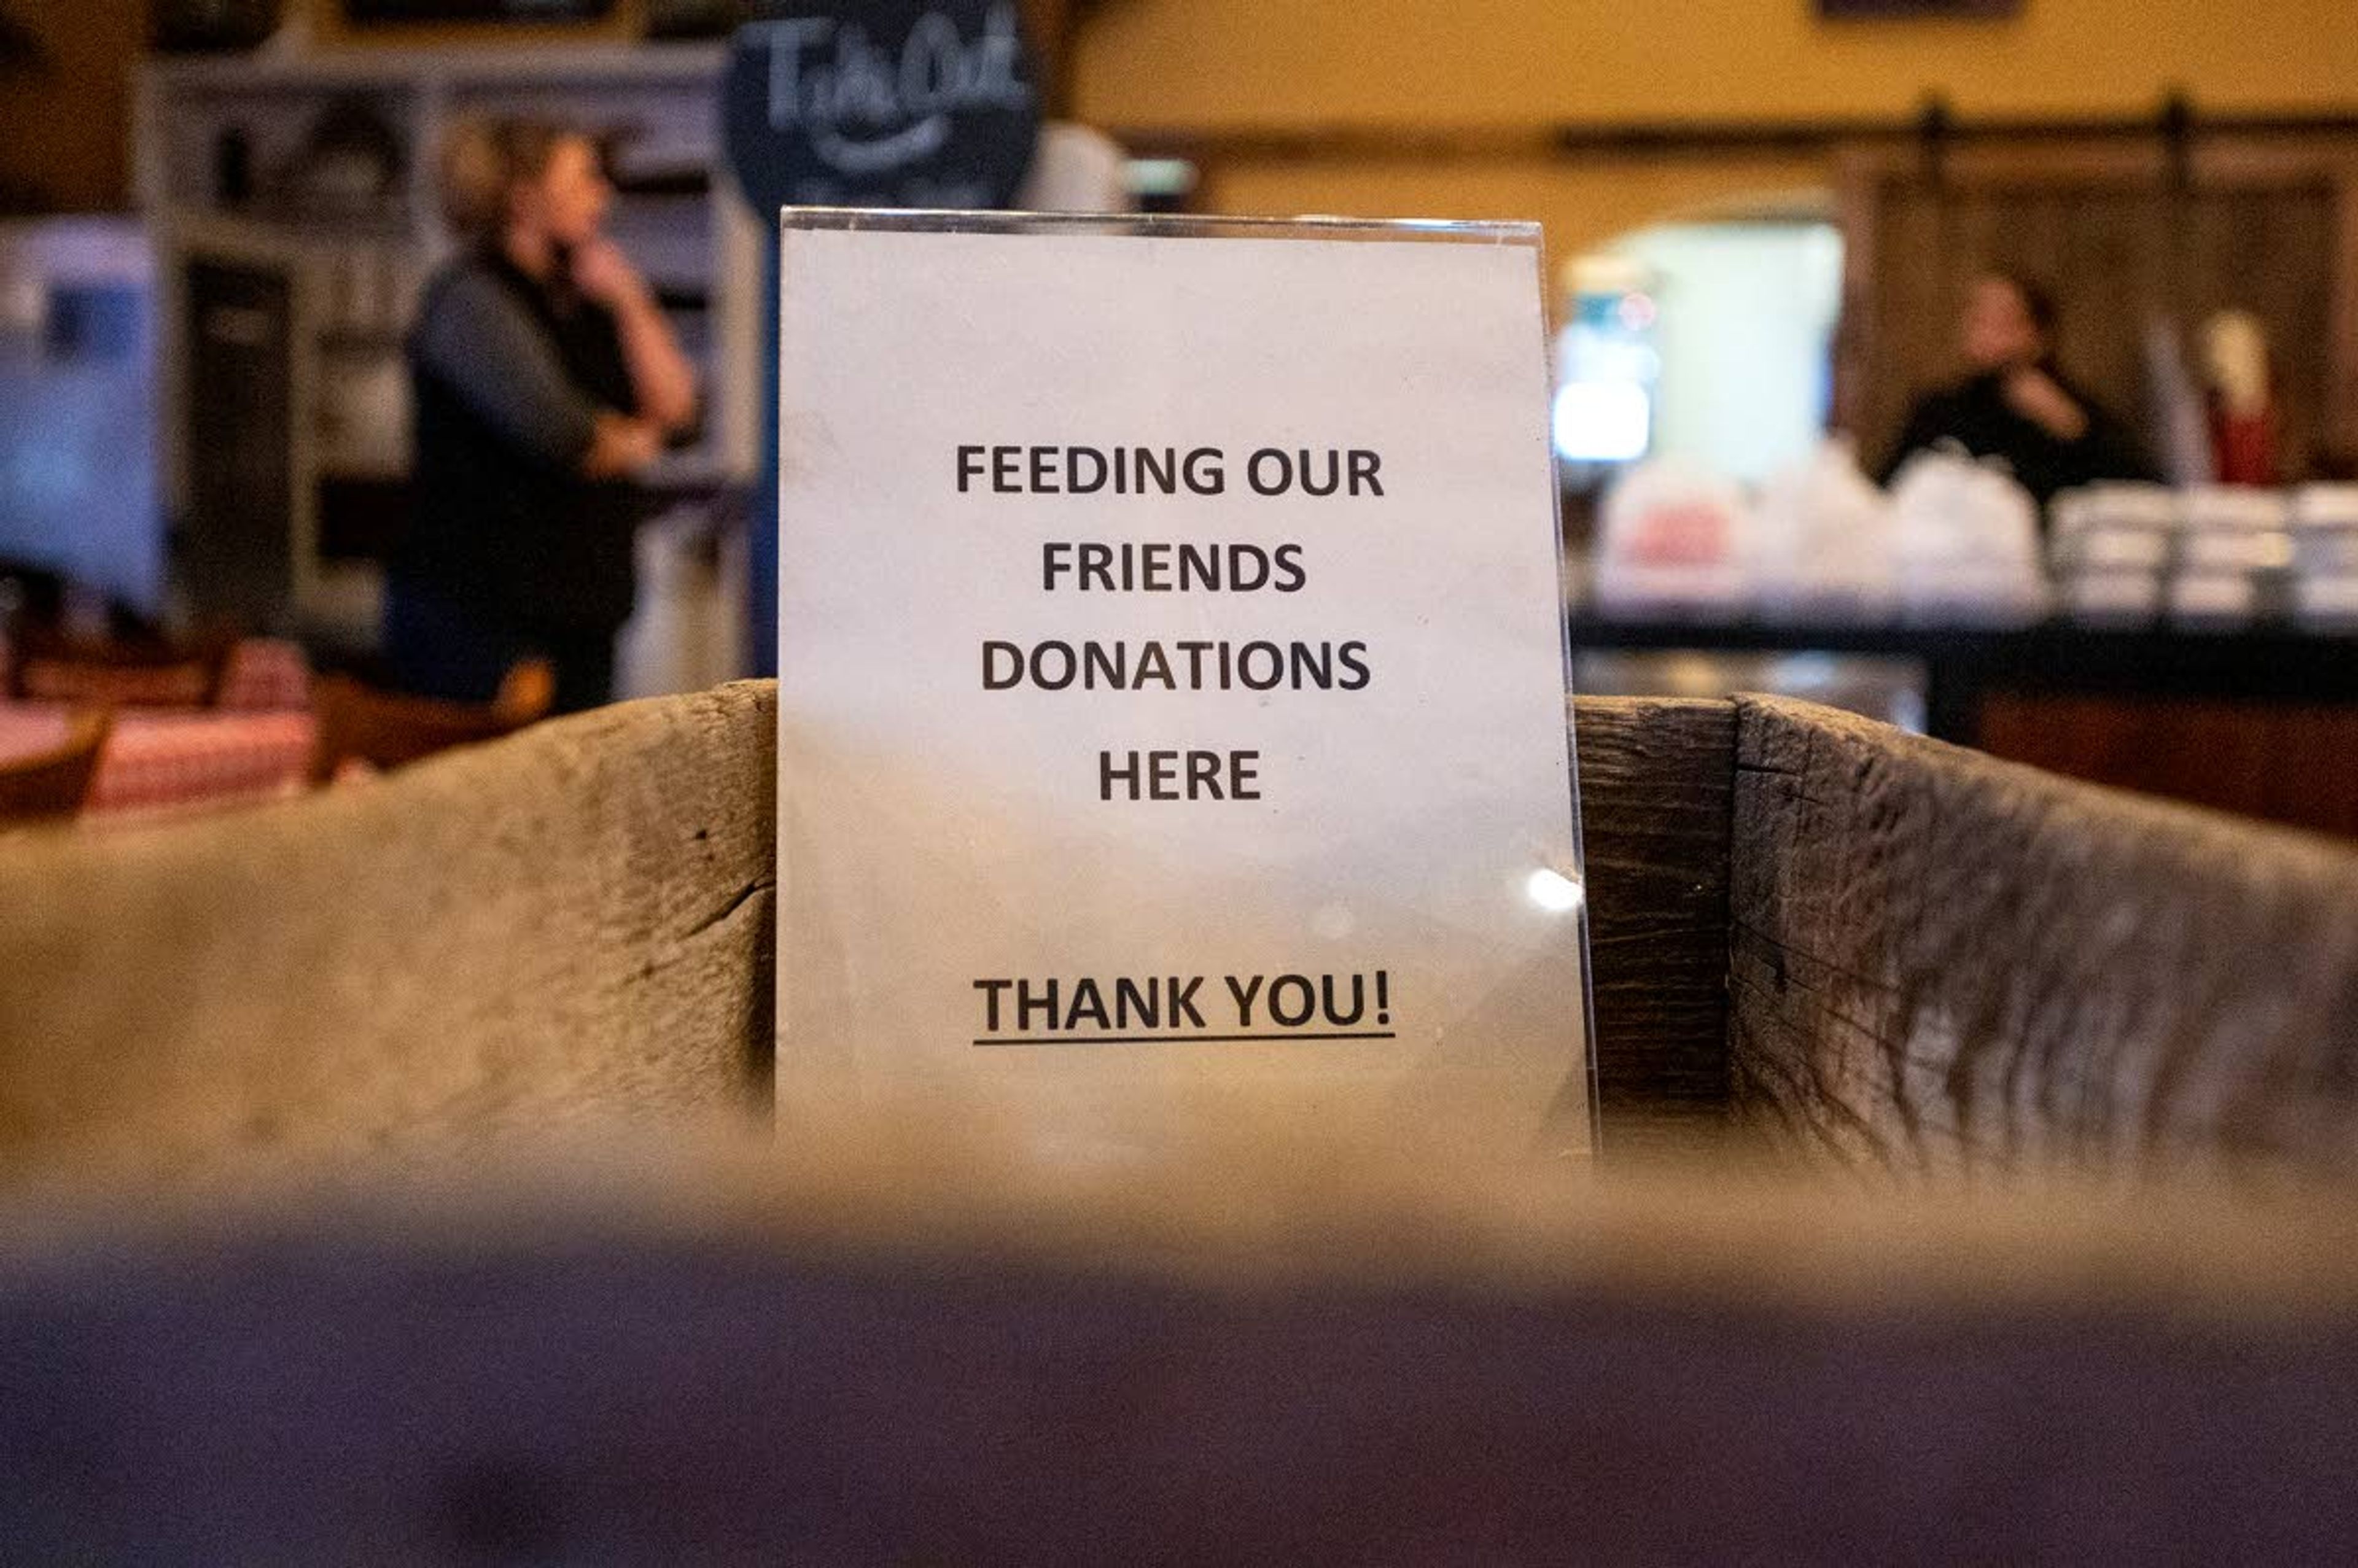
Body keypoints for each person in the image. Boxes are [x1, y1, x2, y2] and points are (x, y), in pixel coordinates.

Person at [389, 117, 698, 713]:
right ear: (526, 200)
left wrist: (631, 300)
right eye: (583, 179)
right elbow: (569, 435)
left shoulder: (587, 296)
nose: (602, 196)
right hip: (487, 624)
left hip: (580, 617)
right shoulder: (471, 300)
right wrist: (635, 442)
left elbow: (680, 412)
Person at [1878, 272, 2155, 508]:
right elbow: (1887, 492)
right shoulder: (1939, 410)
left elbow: (2141, 492)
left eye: (2003, 320)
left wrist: (2073, 429)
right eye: (1978, 317)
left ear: (2039, 336)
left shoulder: (2067, 412)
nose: (1986, 331)